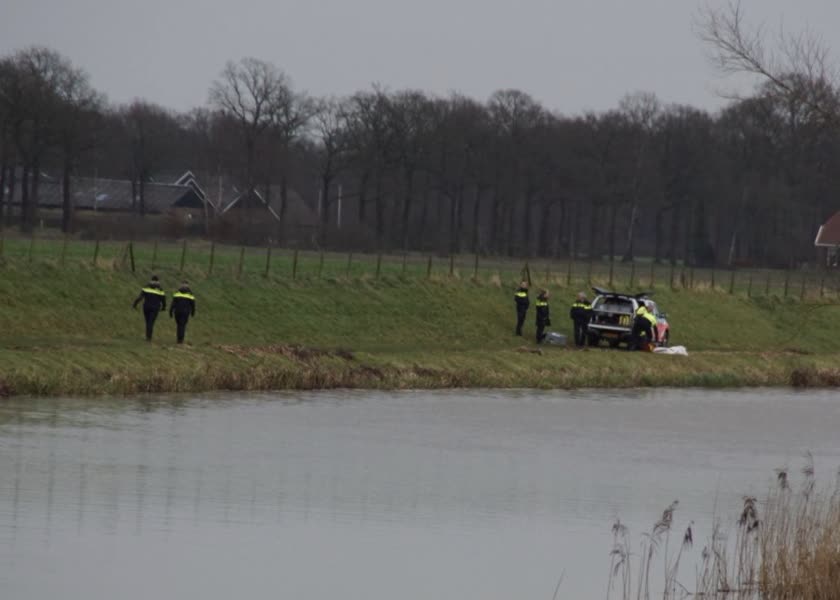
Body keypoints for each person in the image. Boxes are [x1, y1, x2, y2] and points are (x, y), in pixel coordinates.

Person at [133, 275, 166, 341]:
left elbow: (140, 297)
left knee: (147, 321)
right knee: (151, 322)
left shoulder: (146, 287)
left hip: (146, 307)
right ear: (158, 281)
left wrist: (135, 304)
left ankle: (147, 336)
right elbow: (163, 300)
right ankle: (149, 337)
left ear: (151, 280)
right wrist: (163, 307)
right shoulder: (160, 289)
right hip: (155, 308)